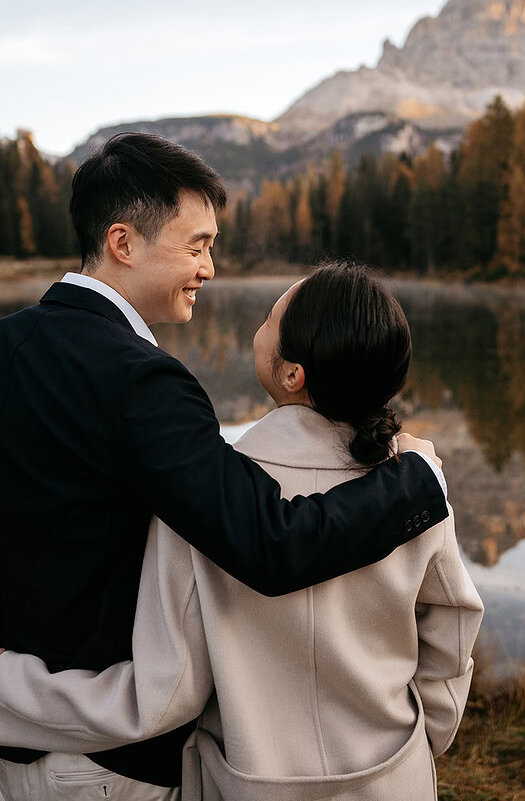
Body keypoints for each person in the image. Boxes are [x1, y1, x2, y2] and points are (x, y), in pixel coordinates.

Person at [0, 134, 449, 801]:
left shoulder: (11, 342)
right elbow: (272, 541)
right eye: (197, 244)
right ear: (123, 242)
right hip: (101, 761)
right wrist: (416, 480)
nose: (209, 266)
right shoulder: (142, 382)